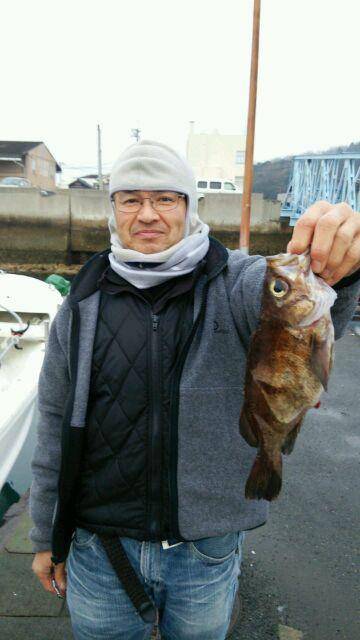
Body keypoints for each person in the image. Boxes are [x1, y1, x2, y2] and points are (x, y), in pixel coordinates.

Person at [29, 140, 360, 640]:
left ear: (189, 206)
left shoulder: (238, 282)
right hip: (98, 547)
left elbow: (303, 311)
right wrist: (43, 536)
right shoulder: (80, 305)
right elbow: (53, 424)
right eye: (130, 199)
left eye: (166, 198)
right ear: (112, 210)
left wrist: (343, 265)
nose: (148, 214)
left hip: (204, 550)